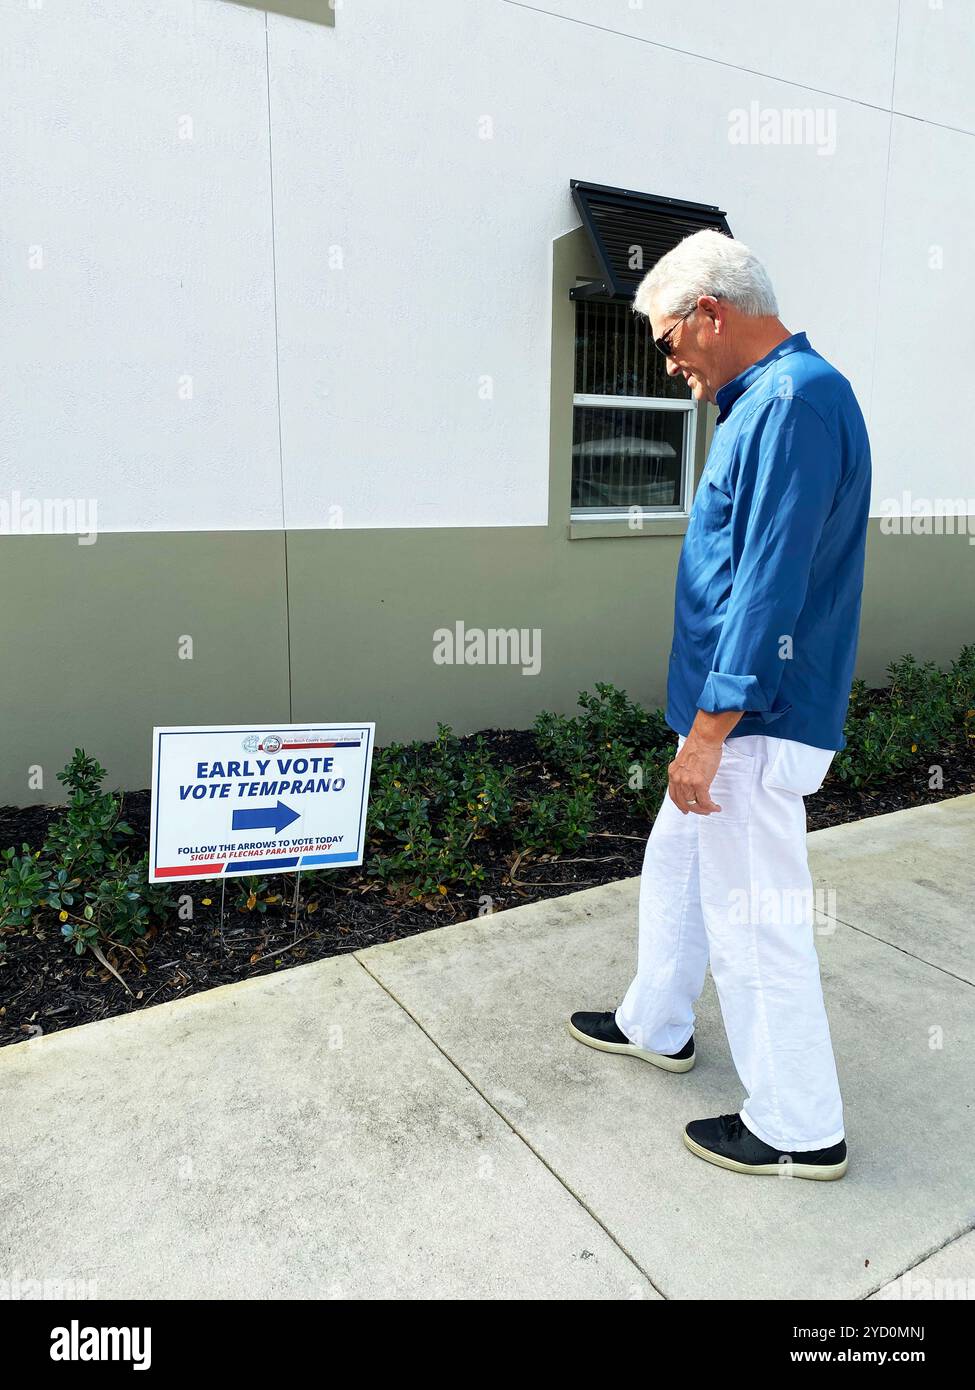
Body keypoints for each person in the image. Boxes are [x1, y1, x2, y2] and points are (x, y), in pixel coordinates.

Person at [569, 229, 871, 1181]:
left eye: (668, 341)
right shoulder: (771, 400)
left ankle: (798, 1126)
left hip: (750, 721)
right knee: (675, 868)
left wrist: (710, 731)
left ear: (712, 312)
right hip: (731, 715)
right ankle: (652, 1023)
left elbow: (767, 587)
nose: (669, 365)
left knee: (753, 921)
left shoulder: (790, 402)